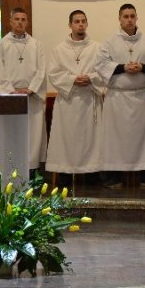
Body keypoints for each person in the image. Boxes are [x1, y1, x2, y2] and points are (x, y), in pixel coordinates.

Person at [95, 4, 145, 188]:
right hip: (118, 98)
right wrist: (123, 67)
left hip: (142, 98)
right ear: (119, 19)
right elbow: (100, 65)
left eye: (132, 16)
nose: (129, 20)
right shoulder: (109, 42)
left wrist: (143, 67)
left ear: (137, 18)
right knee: (115, 141)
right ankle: (114, 177)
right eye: (126, 16)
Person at [45, 10, 103, 183]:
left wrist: (90, 78)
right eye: (77, 21)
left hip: (89, 100)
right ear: (70, 25)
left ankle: (92, 175)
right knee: (67, 140)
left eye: (83, 21)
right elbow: (53, 74)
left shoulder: (98, 48)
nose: (80, 24)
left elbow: (104, 71)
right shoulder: (59, 50)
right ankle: (65, 175)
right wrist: (72, 80)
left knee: (91, 140)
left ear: (87, 24)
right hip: (68, 102)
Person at [0, 7, 48, 177]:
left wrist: (31, 89)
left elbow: (42, 70)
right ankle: (8, 171)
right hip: (10, 99)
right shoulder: (1, 45)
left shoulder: (36, 45)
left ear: (27, 22)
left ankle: (31, 171)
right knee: (10, 135)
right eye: (17, 19)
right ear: (10, 22)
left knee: (31, 136)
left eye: (23, 19)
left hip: (31, 98)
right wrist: (11, 91)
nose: (20, 22)